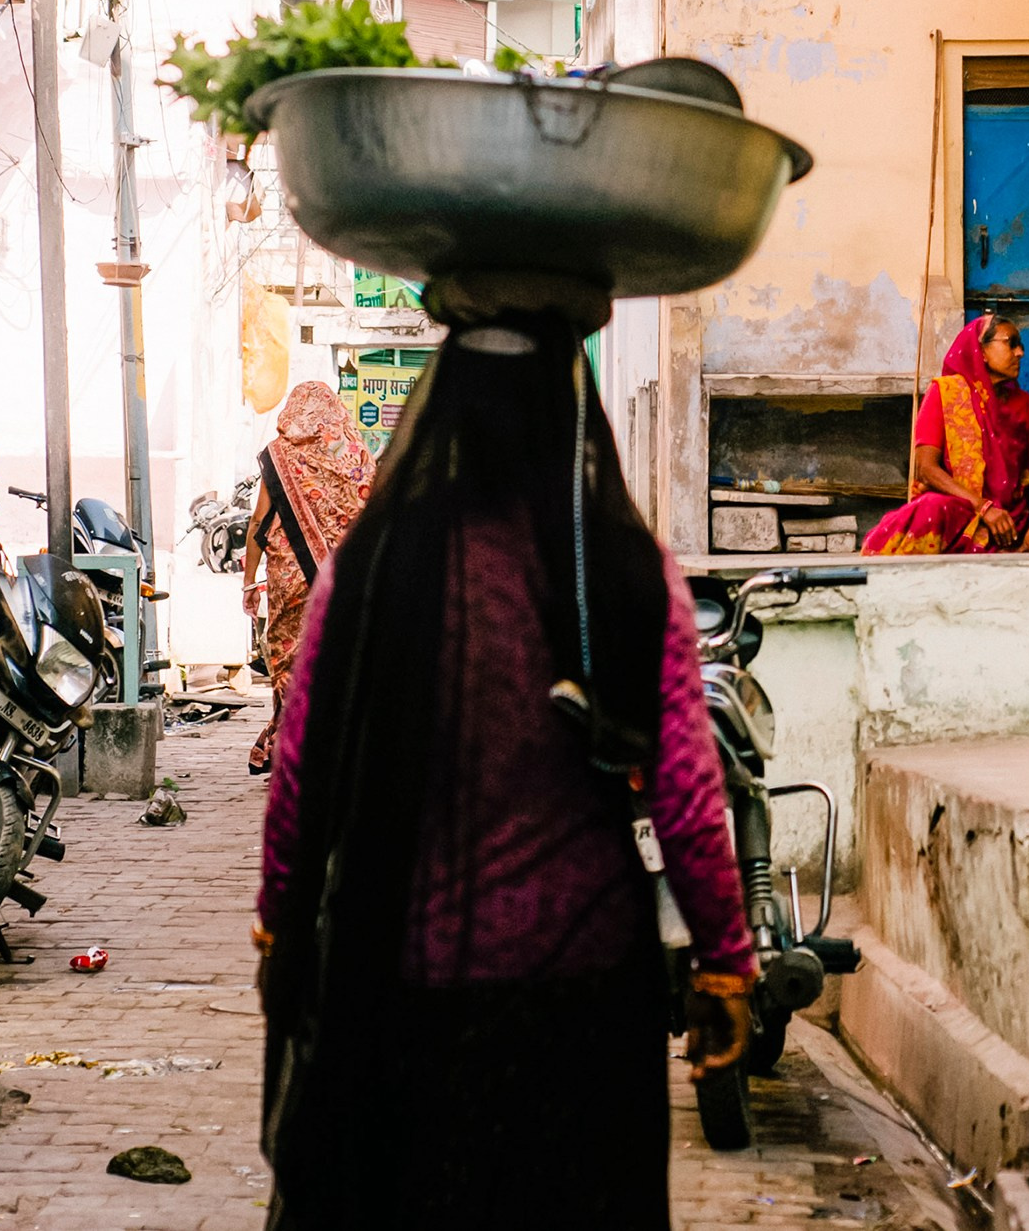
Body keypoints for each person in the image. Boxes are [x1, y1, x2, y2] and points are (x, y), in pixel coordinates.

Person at [252, 290, 755, 1230]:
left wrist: (279, 927)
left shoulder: (363, 575)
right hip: (585, 1006)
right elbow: (689, 794)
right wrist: (727, 960)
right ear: (576, 413)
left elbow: (301, 776)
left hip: (399, 988)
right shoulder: (629, 573)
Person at [243, 381, 377, 774]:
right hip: (346, 580)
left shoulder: (279, 456)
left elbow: (257, 521)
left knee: (292, 659)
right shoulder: (355, 456)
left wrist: (249, 581)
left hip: (289, 578)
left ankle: (294, 746)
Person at [863, 315, 1029, 555]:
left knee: (1007, 522)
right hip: (962, 512)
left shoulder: (1023, 403)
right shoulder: (945, 393)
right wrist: (983, 508)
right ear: (981, 351)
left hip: (1008, 520)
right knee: (931, 508)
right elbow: (926, 468)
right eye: (1010, 343)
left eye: (1020, 345)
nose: (1019, 353)